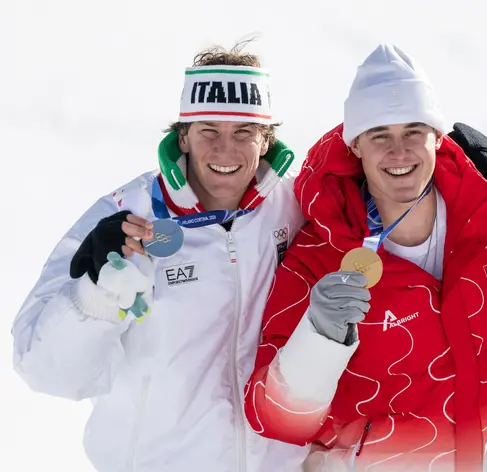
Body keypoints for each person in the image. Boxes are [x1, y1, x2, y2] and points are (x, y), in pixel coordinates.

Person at [11, 42, 310, 472]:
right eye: (209, 130)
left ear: (265, 141)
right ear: (183, 135)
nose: (225, 150)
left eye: (243, 132)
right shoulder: (126, 215)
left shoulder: (298, 207)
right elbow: (43, 371)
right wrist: (95, 296)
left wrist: (443, 170)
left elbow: (388, 213)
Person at [243, 44, 487, 472]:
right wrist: (318, 338)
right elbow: (274, 418)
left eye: (414, 131)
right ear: (355, 145)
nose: (399, 152)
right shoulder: (318, 256)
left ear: (438, 137)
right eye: (380, 135)